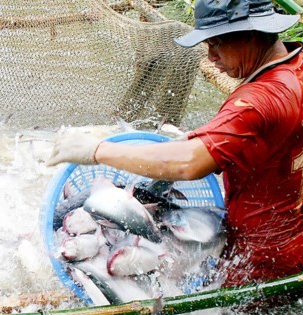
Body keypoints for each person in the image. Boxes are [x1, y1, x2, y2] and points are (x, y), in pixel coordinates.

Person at [47, 0, 303, 288]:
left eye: (217, 43)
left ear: (252, 35)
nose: (211, 57)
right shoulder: (296, 64)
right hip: (291, 235)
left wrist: (96, 150)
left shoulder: (257, 102)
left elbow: (188, 163)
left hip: (260, 260)